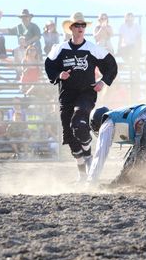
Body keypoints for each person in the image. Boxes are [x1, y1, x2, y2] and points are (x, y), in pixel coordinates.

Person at [44, 12, 118, 180]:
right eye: (77, 25)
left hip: (86, 93)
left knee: (79, 123)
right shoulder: (60, 49)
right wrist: (59, 75)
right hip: (66, 95)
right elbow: (49, 65)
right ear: (70, 28)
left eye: (83, 25)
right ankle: (82, 174)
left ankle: (89, 157)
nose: (80, 28)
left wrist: (103, 81)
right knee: (69, 136)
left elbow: (111, 65)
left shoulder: (92, 48)